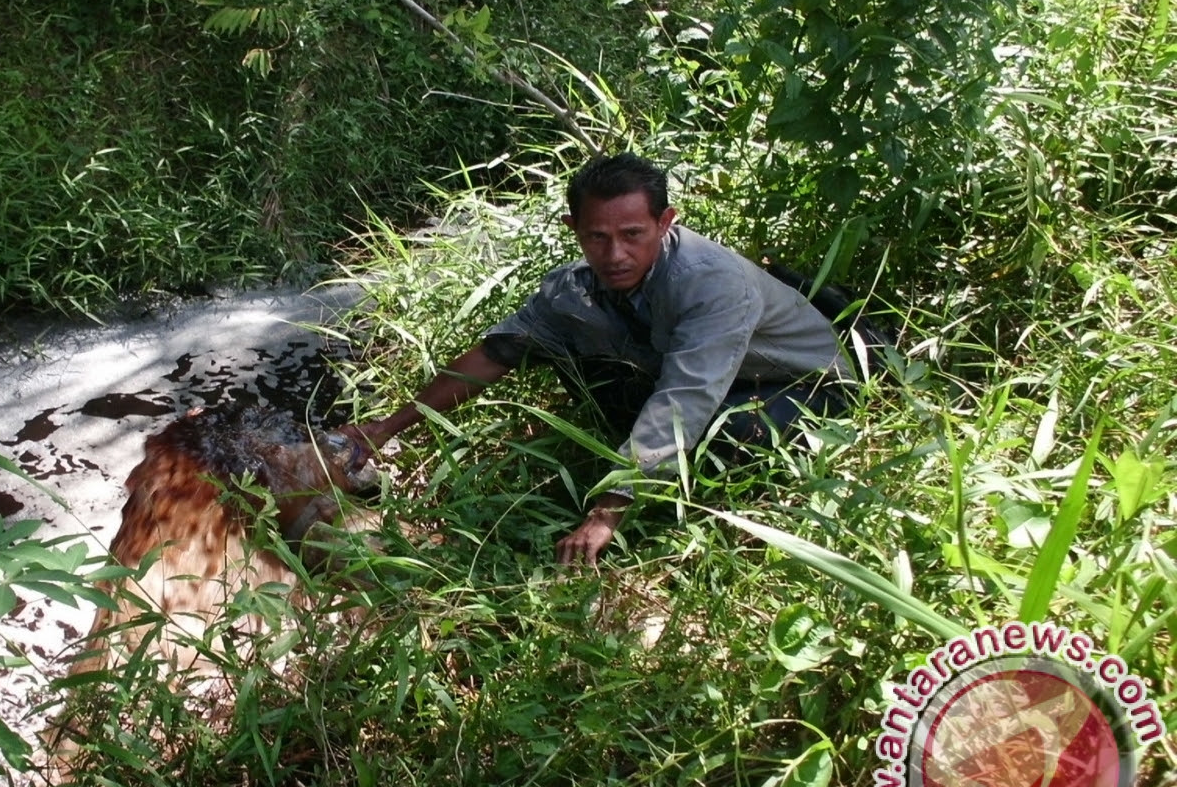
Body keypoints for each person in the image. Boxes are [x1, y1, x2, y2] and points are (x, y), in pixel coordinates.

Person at [349, 153, 857, 566]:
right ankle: (646, 464)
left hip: (805, 388)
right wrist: (388, 427)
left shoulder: (711, 284)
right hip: (713, 379)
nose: (615, 254)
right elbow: (497, 353)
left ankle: (717, 513)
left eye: (633, 234)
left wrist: (608, 511)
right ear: (575, 228)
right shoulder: (574, 288)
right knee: (575, 357)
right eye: (597, 237)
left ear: (665, 223)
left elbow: (686, 398)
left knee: (725, 435)